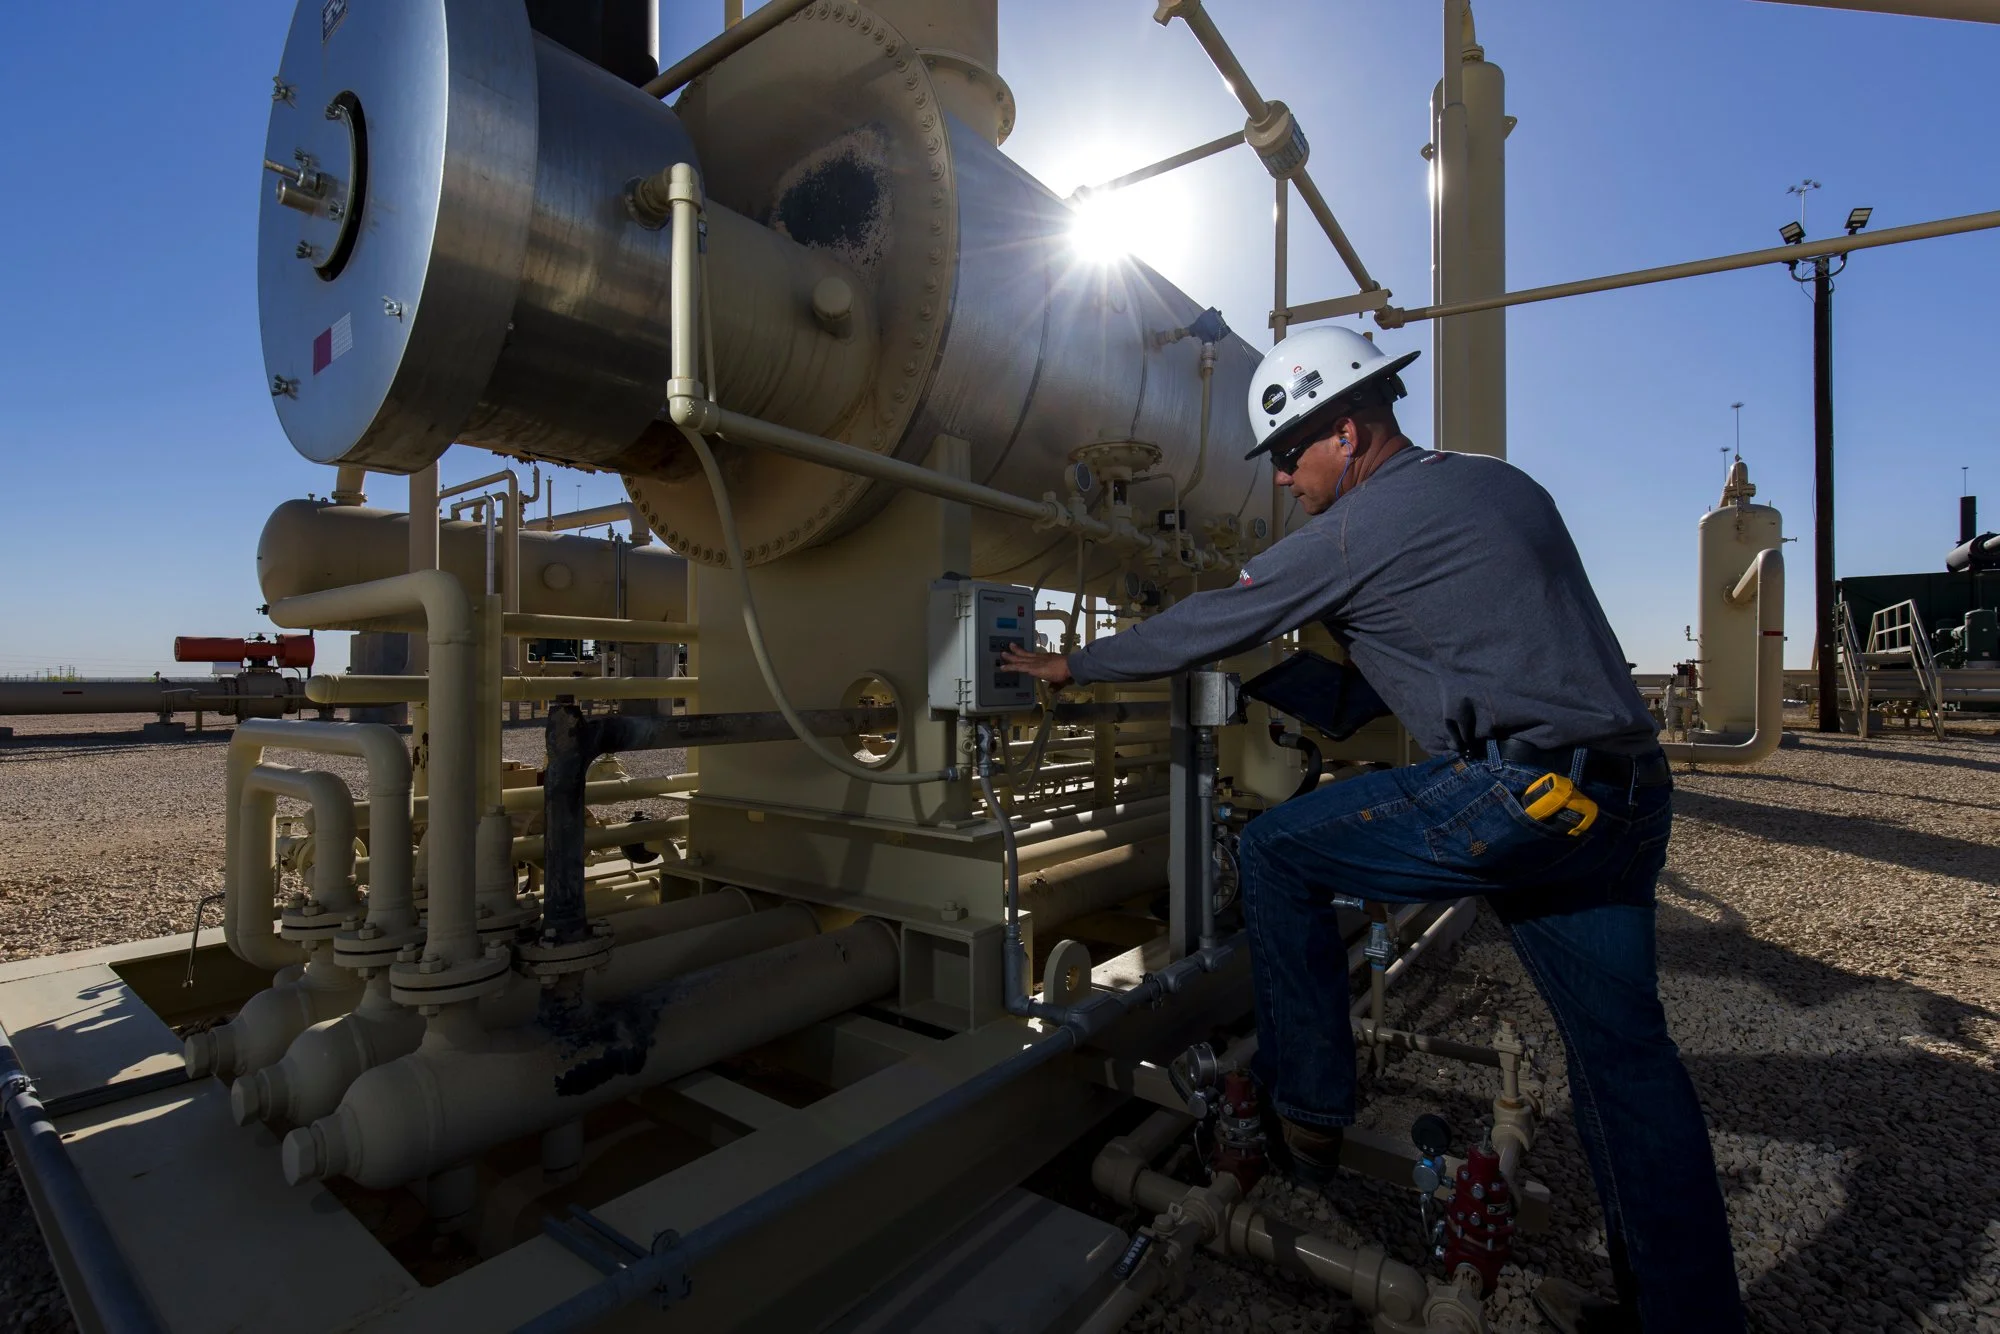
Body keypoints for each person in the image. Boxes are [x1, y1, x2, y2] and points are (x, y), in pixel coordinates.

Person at [1000, 326, 1744, 1333]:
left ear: (1344, 431)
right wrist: (1267, 672)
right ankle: (1686, 1318)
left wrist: (1070, 666)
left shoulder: (1359, 526)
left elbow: (1216, 612)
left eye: (1288, 455)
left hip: (1522, 794)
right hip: (1617, 793)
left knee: (1274, 850)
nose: (1282, 482)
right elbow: (1372, 695)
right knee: (1623, 1060)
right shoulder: (1494, 484)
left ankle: (1306, 1110)